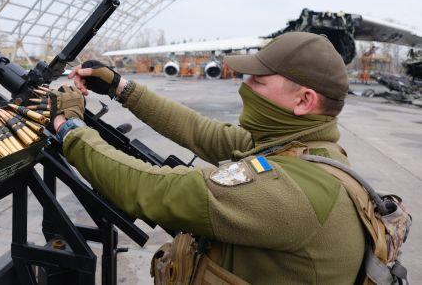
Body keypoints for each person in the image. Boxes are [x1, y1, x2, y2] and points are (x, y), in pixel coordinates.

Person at [48, 32, 367, 284]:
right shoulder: (301, 149)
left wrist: (70, 128)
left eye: (259, 80)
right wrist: (120, 86)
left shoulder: (292, 191)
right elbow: (199, 131)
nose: (246, 87)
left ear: (303, 100)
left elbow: (152, 190)